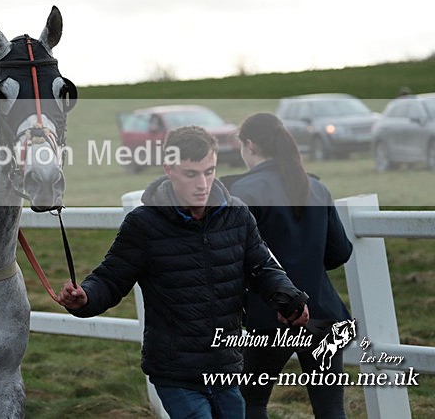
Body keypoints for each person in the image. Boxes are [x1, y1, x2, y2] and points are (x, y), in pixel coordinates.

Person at [57, 125, 310, 419]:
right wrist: (85, 298)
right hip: (175, 371)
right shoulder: (144, 224)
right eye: (192, 174)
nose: (203, 183)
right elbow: (111, 278)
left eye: (209, 171)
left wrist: (288, 298)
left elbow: (263, 267)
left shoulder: (237, 214)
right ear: (169, 169)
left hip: (226, 365)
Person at [221, 113, 353, 419]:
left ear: (249, 145)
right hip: (323, 313)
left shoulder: (242, 193)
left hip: (270, 316)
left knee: (250, 403)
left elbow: (234, 259)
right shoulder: (316, 188)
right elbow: (340, 252)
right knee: (331, 409)